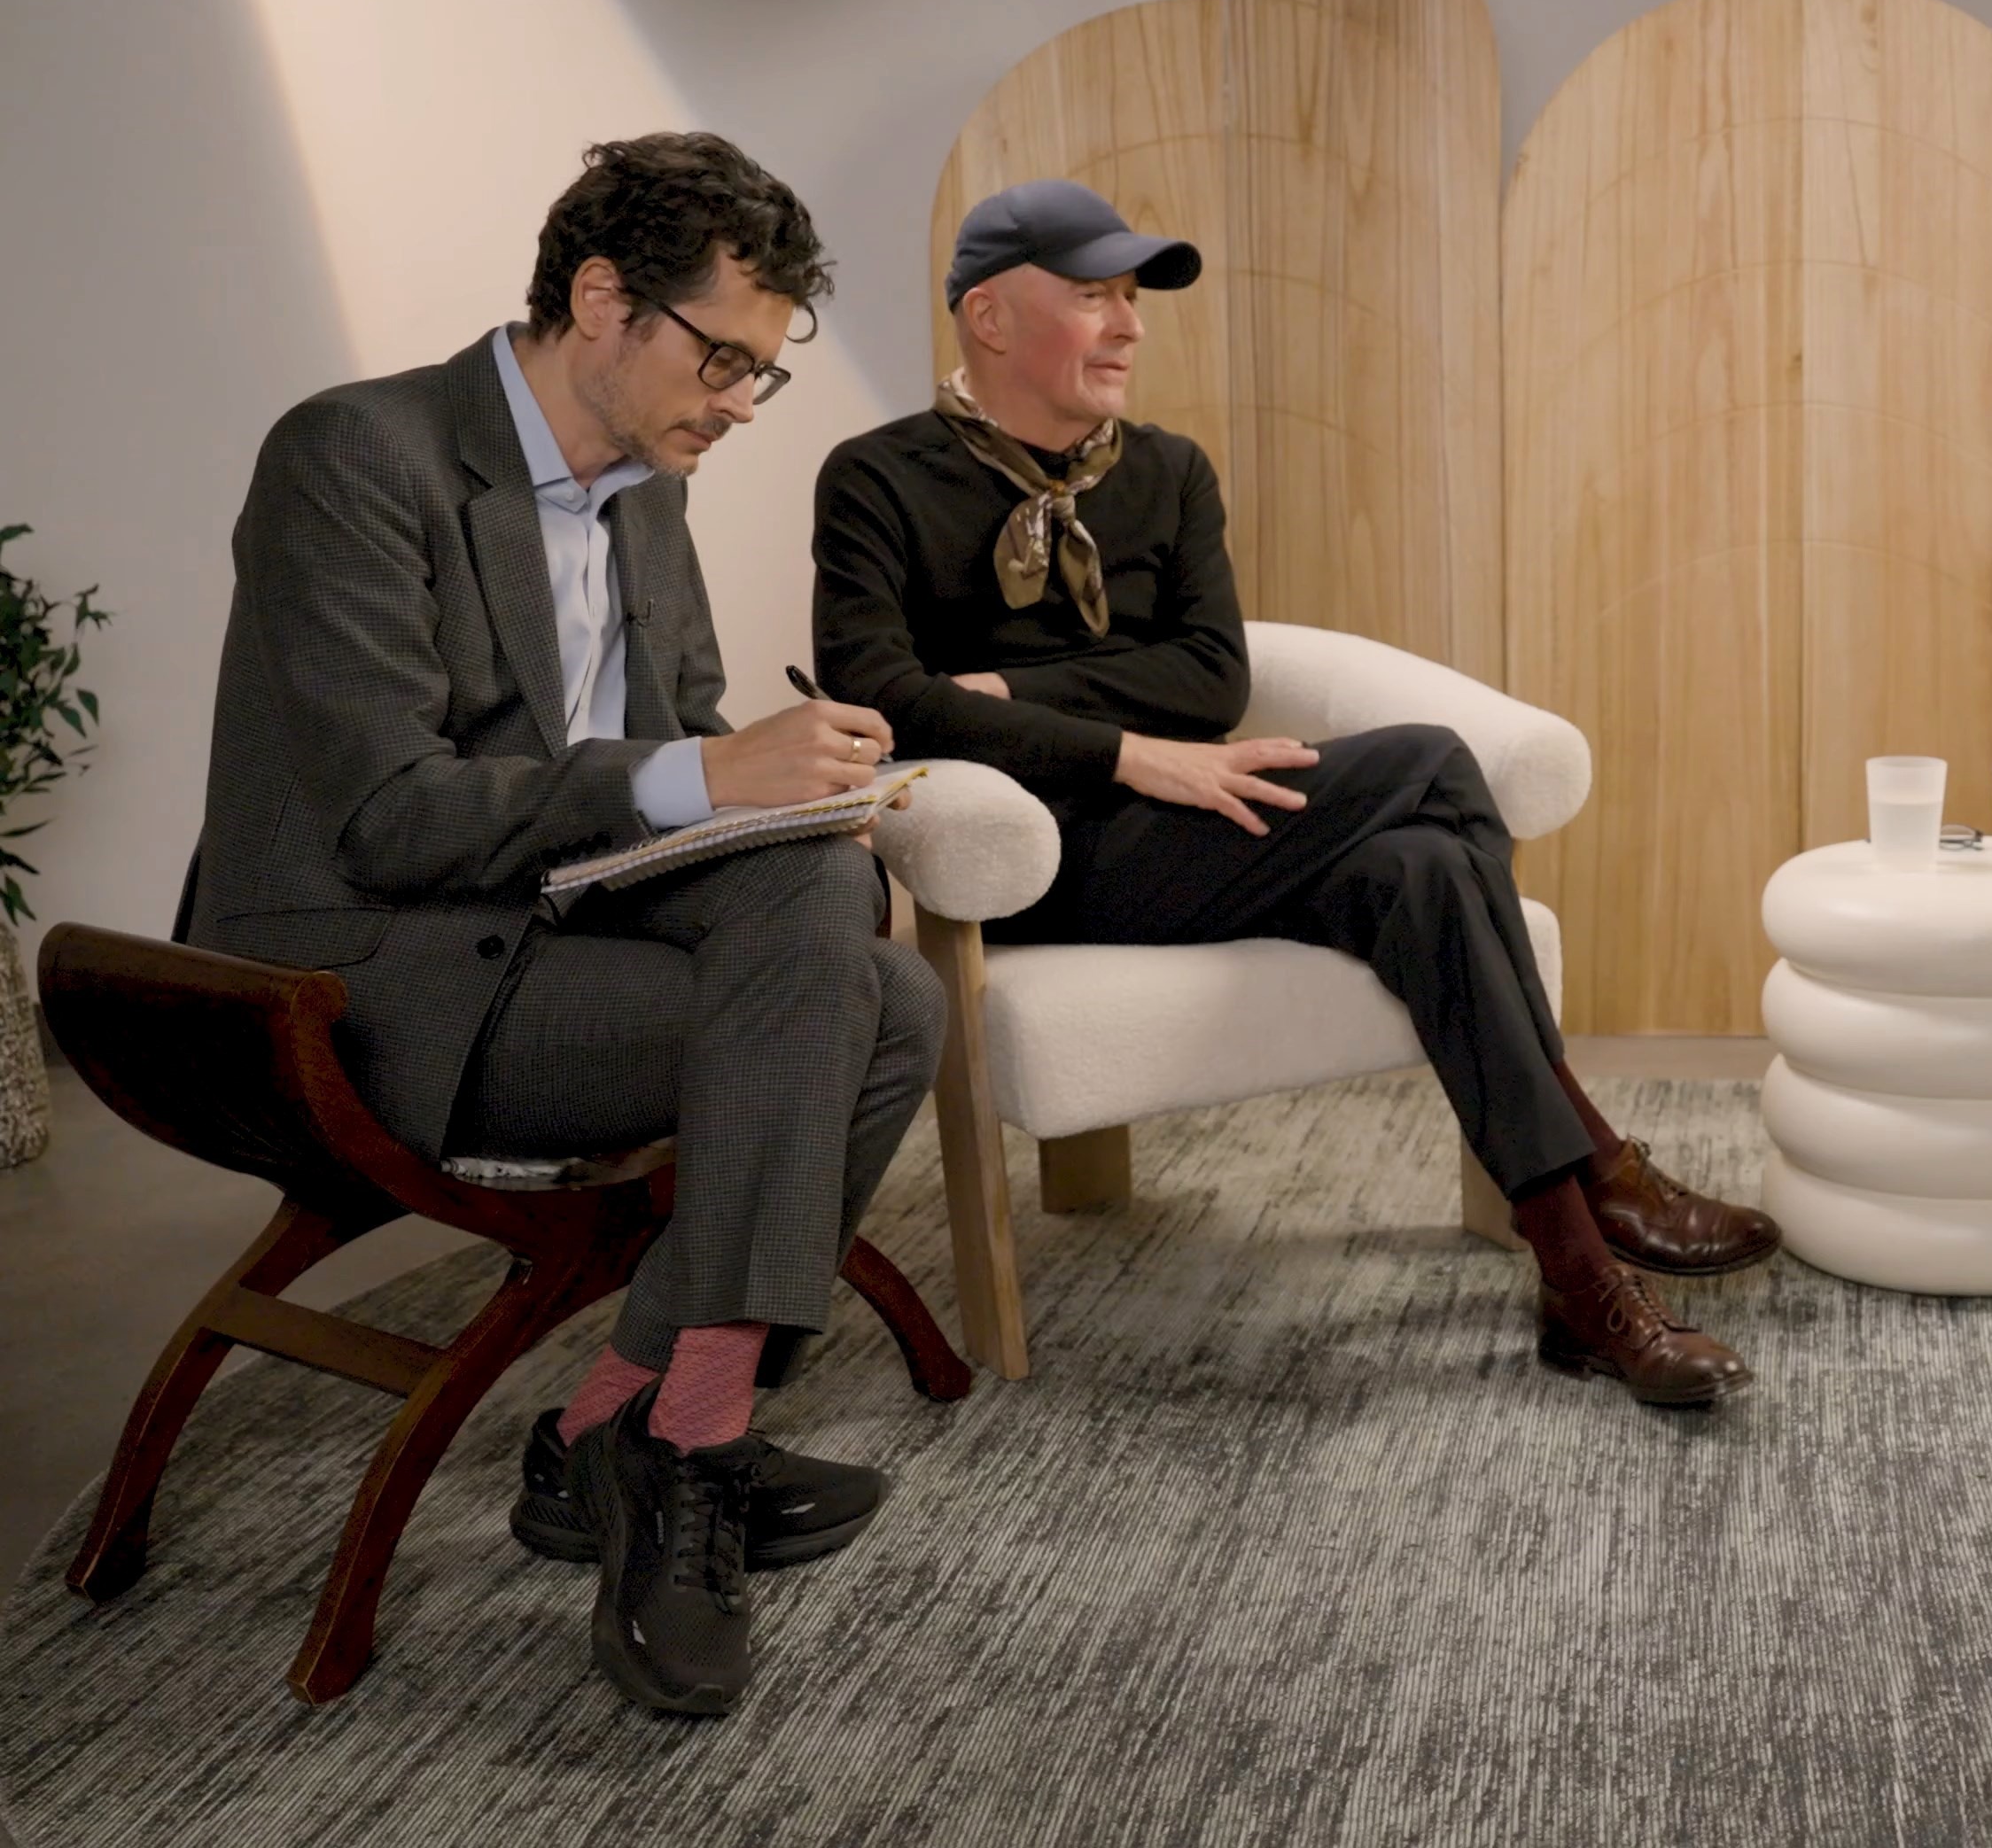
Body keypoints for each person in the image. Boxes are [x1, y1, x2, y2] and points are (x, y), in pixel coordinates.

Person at [191, 134, 943, 1713]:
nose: (743, 403)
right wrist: (714, 775)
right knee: (872, 1014)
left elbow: (673, 746)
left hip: (553, 924)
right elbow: (389, 815)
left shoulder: (647, 491)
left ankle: (639, 1427)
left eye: (763, 372)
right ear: (602, 299)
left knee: (860, 948)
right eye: (724, 358)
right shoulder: (355, 454)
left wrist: (799, 791)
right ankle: (669, 1442)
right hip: (363, 967)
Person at [812, 181, 1776, 1408]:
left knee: (1426, 864)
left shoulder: (1168, 472)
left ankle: (1580, 1280)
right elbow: (878, 696)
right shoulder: (877, 478)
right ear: (990, 317)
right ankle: (1594, 1160)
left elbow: (1212, 677)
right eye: (1095, 296)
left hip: (1201, 822)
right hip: (1037, 861)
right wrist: (1123, 752)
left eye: (1133, 299)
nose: (1130, 325)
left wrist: (1014, 692)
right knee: (1430, 763)